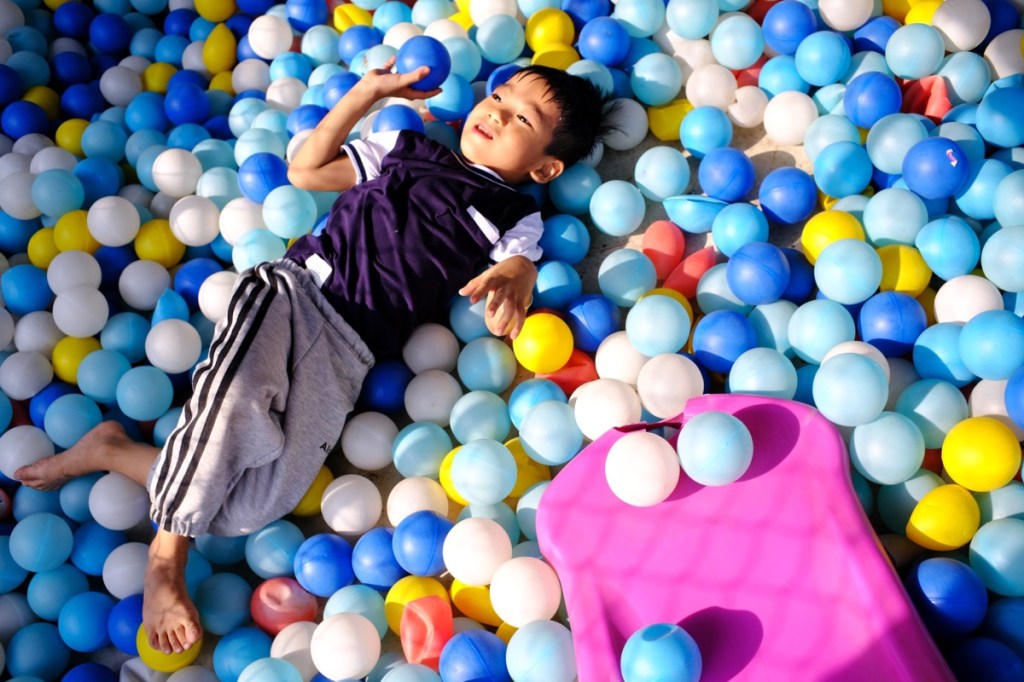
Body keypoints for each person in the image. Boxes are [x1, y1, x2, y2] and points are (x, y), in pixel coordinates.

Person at [15, 59, 609, 655]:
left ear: (545, 167)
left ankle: (110, 450)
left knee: (250, 505)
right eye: (500, 97)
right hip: (296, 293)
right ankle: (165, 561)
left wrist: (516, 275)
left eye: (522, 119)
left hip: (350, 354)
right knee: (235, 402)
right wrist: (367, 92)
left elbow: (520, 262)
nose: (497, 114)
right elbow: (305, 170)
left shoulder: (516, 215)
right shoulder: (409, 150)